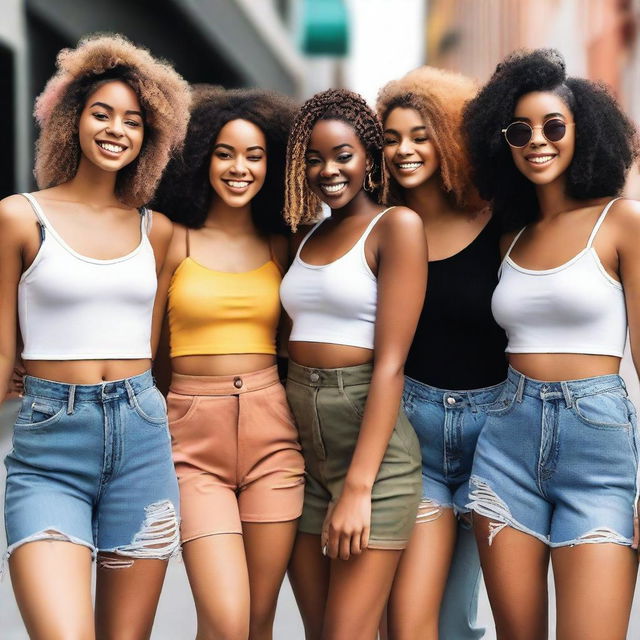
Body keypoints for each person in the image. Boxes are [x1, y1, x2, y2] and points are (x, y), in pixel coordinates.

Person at [0, 34, 190, 639]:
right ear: (70, 119)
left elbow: (156, 346)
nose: (116, 130)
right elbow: (4, 350)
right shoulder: (18, 216)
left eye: (133, 121)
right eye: (101, 114)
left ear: (149, 137)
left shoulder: (156, 230)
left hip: (142, 442)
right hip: (49, 451)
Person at [463, 48, 640, 640]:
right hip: (506, 440)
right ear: (503, 144)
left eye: (553, 126)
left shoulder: (622, 222)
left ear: (583, 132)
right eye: (520, 130)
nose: (536, 140)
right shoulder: (509, 236)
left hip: (599, 447)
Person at [151, 86, 305, 640]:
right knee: (225, 616)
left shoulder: (281, 245)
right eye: (224, 153)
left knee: (258, 622)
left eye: (255, 155)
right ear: (200, 159)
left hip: (272, 437)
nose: (239, 168)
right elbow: (149, 352)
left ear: (274, 164)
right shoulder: (173, 238)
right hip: (192, 441)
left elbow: (294, 344)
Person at [280, 88, 426, 640]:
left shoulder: (396, 227)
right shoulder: (305, 237)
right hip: (305, 455)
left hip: (374, 459)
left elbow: (390, 366)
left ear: (368, 157)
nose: (328, 170)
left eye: (342, 155)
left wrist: (360, 488)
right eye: (313, 159)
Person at [376, 66, 507, 640]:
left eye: (420, 135)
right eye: (392, 137)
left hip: (497, 438)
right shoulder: (380, 230)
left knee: (460, 618)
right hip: (415, 437)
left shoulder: (500, 223)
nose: (404, 150)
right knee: (410, 622)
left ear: (449, 138)